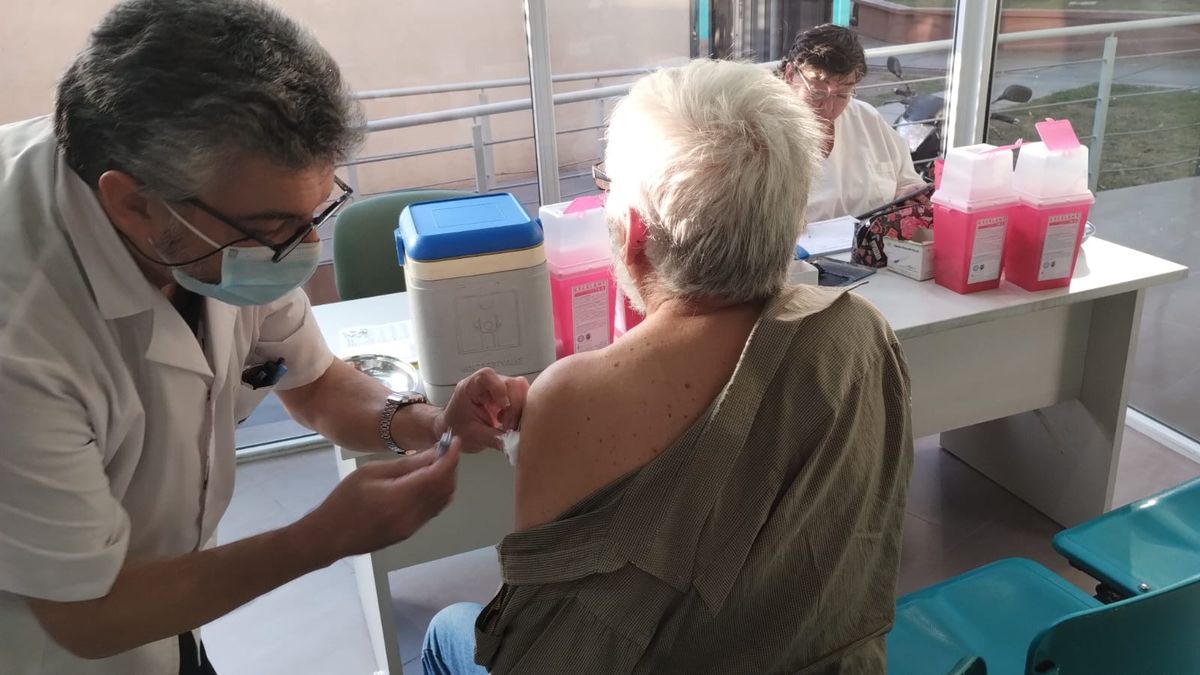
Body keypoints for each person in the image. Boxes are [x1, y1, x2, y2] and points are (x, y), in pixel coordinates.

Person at [0, 1, 526, 673]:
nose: (304, 248)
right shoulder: (23, 336)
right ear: (133, 204)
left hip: (169, 610)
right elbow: (85, 612)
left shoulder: (215, 212)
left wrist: (425, 423)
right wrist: (320, 538)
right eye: (274, 228)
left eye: (315, 213)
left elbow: (313, 382)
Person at [422, 59, 914, 675]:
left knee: (447, 630)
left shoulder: (571, 397)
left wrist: (548, 412)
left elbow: (545, 647)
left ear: (632, 233)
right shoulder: (858, 330)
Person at [780, 24, 928, 222]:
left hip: (873, 246)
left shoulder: (866, 118)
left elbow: (906, 180)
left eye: (842, 95)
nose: (829, 107)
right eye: (817, 93)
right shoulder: (764, 132)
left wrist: (906, 195)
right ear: (790, 75)